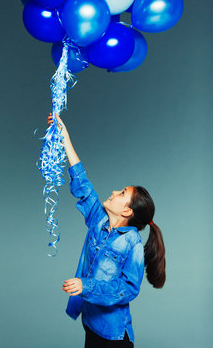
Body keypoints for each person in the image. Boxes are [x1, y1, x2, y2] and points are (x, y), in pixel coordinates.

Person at [47, 112, 166, 348]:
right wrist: (66, 139)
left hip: (113, 336)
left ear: (127, 212)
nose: (113, 192)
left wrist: (86, 285)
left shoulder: (132, 244)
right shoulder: (98, 220)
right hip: (90, 323)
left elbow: (128, 289)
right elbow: (83, 186)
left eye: (122, 194)